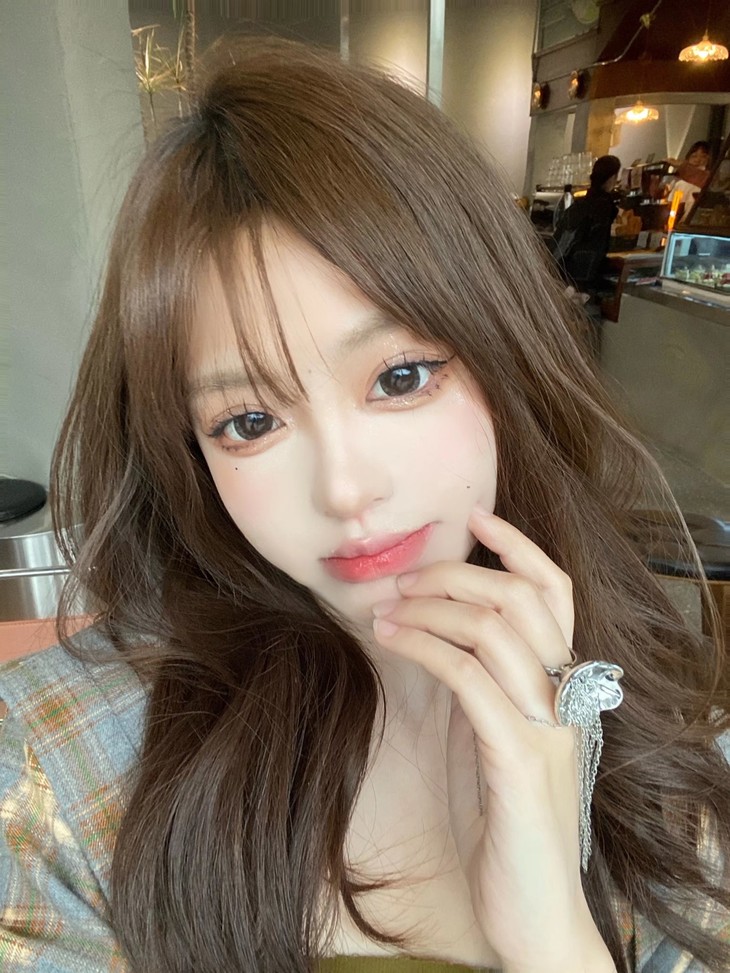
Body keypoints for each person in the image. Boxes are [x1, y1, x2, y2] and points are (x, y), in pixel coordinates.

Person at [0, 39, 728, 973]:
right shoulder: (54, 771)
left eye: (401, 376)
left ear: (506, 356)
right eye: (250, 421)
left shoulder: (660, 731)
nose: (344, 489)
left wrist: (554, 932)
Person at [548, 154, 622, 299]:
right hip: (582, 283)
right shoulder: (604, 207)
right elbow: (596, 247)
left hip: (564, 278)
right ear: (612, 178)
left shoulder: (581, 205)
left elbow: (561, 243)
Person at [667, 141, 712, 213]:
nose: (698, 160)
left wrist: (681, 165)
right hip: (677, 214)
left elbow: (702, 177)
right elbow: (672, 204)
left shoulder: (708, 176)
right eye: (694, 156)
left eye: (703, 156)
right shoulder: (679, 179)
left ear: (708, 159)